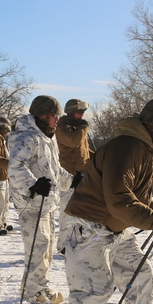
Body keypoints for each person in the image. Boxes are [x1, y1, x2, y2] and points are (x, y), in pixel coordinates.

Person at [39, 98, 153, 304]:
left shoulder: (145, 148)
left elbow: (134, 193)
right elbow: (117, 197)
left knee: (140, 277)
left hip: (116, 229)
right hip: (89, 228)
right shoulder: (127, 147)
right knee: (96, 289)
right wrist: (151, 220)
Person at [8, 95, 65, 304]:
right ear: (43, 116)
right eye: (54, 116)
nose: (57, 120)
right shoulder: (27, 138)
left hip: (46, 202)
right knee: (38, 247)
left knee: (46, 247)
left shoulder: (47, 138)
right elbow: (15, 167)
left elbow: (54, 171)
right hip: (31, 203)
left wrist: (73, 180)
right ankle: (35, 292)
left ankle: (33, 285)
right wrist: (33, 185)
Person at [55, 98, 93, 253]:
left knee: (80, 213)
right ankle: (63, 245)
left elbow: (83, 150)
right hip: (68, 177)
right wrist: (84, 128)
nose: (82, 116)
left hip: (81, 176)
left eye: (83, 113)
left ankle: (75, 242)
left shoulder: (77, 128)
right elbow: (73, 141)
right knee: (67, 213)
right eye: (80, 113)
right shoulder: (63, 127)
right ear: (71, 112)